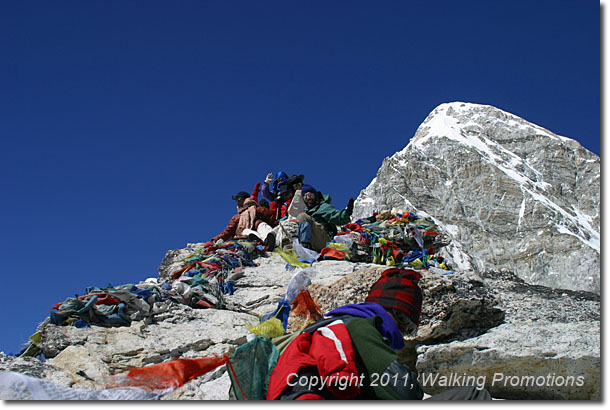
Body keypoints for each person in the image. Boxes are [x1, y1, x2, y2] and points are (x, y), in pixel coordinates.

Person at [267, 268, 492, 401]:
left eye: (411, 328)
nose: (404, 332)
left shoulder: (329, 326)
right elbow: (406, 393)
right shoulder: (361, 328)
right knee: (473, 396)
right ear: (385, 310)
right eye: (404, 321)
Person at [211, 191, 277, 250]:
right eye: (236, 200)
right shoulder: (237, 217)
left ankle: (269, 239)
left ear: (246, 199)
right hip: (243, 234)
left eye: (239, 199)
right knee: (246, 231)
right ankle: (258, 240)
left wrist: (278, 224)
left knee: (261, 224)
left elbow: (271, 220)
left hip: (258, 229)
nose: (237, 202)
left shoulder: (258, 210)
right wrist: (215, 239)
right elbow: (227, 232)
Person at [296, 185, 354, 252]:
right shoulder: (309, 211)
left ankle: (304, 248)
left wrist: (346, 213)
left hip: (326, 241)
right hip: (317, 242)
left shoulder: (323, 207)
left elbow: (336, 216)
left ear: (315, 195)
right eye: (305, 197)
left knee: (302, 217)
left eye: (310, 195)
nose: (308, 198)